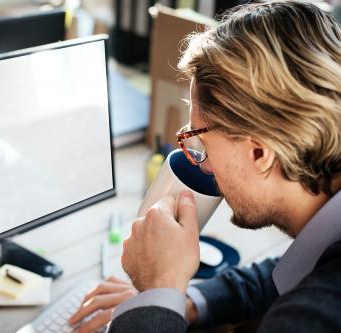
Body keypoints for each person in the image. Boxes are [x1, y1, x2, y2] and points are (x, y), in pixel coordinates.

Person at [68, 1, 341, 332]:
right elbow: (289, 272)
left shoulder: (315, 318)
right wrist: (180, 302)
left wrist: (159, 288)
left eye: (201, 142)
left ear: (260, 153)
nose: (204, 165)